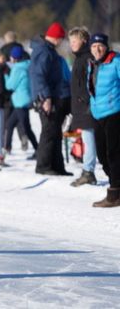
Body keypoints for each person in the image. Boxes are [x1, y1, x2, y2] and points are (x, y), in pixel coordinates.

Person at [29, 22, 72, 176]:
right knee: (48, 132)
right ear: (56, 38)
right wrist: (45, 97)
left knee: (55, 132)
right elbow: (38, 75)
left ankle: (57, 166)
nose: (61, 42)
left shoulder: (47, 50)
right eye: (61, 38)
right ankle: (43, 166)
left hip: (54, 97)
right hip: (47, 98)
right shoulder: (44, 51)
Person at [87, 33, 120, 207]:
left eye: (100, 46)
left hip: (115, 113)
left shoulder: (116, 61)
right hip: (97, 114)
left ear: (106, 47)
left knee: (113, 153)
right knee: (102, 155)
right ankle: (116, 185)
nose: (97, 49)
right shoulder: (92, 64)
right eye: (93, 46)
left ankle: (114, 194)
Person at [68, 27, 97, 187]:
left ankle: (88, 171)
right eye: (70, 41)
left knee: (89, 138)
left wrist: (84, 99)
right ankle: (88, 170)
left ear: (84, 41)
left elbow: (91, 82)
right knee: (88, 138)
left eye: (74, 41)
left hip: (87, 106)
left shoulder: (87, 58)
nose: (71, 44)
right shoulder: (79, 58)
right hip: (81, 106)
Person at [4, 46, 38, 157]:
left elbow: (10, 85)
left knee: (26, 128)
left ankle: (38, 149)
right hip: (24, 98)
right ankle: (7, 148)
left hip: (20, 101)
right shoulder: (28, 65)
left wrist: (5, 76)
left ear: (15, 58)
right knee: (9, 124)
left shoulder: (17, 68)